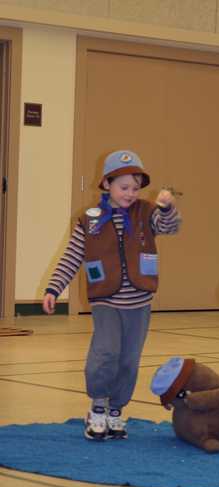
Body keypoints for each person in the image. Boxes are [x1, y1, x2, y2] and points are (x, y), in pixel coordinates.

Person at [43, 150, 181, 441]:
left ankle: (116, 409)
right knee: (105, 353)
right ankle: (98, 406)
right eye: (124, 187)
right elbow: (71, 257)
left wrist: (167, 207)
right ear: (107, 184)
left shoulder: (146, 213)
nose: (130, 194)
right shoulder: (89, 221)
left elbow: (170, 227)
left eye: (135, 188)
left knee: (129, 359)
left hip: (139, 303)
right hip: (105, 301)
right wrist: (54, 288)